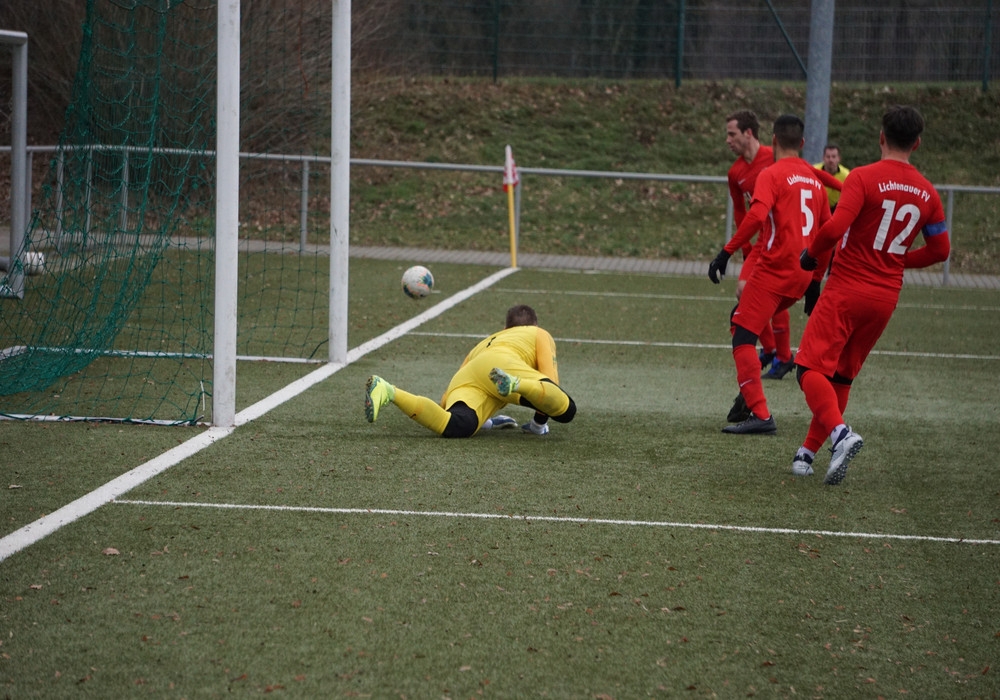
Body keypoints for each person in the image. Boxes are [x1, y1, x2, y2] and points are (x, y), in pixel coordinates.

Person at [794, 105, 950, 485]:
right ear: (917, 143)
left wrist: (811, 254)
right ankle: (807, 455)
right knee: (842, 376)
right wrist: (897, 261)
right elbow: (941, 250)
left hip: (847, 288)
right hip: (884, 298)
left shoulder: (863, 177)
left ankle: (841, 434)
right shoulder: (928, 192)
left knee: (808, 369)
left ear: (881, 137)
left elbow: (835, 228)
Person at [708, 114, 832, 435]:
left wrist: (725, 252)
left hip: (775, 270)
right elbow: (827, 233)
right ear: (802, 144)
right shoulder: (814, 179)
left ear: (773, 140)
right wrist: (815, 282)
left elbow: (755, 216)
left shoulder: (771, 173)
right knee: (743, 317)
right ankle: (751, 387)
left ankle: (760, 412)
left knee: (741, 333)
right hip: (801, 276)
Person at [364, 304, 577, 437]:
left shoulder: (485, 342)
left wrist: (480, 419)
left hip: (471, 374)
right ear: (535, 325)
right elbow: (550, 385)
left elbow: (450, 393)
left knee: (458, 425)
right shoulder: (538, 333)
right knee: (567, 410)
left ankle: (389, 391)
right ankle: (517, 383)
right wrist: (538, 425)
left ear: (505, 329)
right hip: (504, 364)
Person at [722, 110, 783, 422]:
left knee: (757, 298)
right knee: (744, 295)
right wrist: (744, 248)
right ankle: (772, 352)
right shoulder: (735, 173)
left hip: (783, 244)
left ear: (749, 133)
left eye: (732, 134)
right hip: (759, 245)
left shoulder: (775, 157)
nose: (727, 140)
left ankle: (776, 353)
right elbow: (740, 211)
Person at [814, 143, 850, 211]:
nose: (830, 160)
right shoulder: (815, 171)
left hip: (837, 209)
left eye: (833, 157)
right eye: (828, 157)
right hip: (818, 207)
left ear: (839, 158)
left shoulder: (846, 175)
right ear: (823, 158)